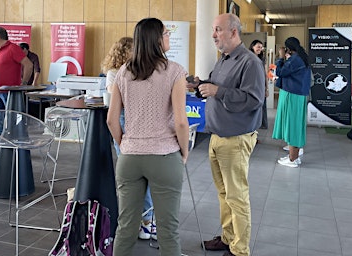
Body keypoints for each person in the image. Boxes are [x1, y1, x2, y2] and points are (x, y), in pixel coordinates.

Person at [107, 17, 189, 256]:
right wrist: (183, 151)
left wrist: (126, 144)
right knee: (168, 230)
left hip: (130, 157)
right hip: (164, 155)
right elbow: (181, 122)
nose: (168, 37)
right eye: (166, 34)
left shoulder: (123, 72)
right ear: (156, 39)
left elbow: (112, 120)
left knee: (126, 227)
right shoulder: (175, 71)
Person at [187, 13, 264, 256]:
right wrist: (201, 85)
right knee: (224, 194)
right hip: (217, 137)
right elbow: (217, 89)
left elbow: (253, 100)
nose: (213, 35)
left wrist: (218, 90)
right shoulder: (224, 60)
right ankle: (229, 237)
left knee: (237, 196)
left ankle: (240, 250)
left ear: (233, 32)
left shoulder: (250, 63)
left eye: (218, 30)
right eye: (213, 30)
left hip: (235, 140)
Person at [101, 36, 157, 240]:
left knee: (142, 175)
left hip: (138, 125)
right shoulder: (114, 74)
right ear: (126, 52)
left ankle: (145, 219)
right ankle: (143, 221)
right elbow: (117, 104)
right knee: (132, 176)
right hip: (125, 124)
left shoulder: (138, 71)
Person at [272, 37, 311, 168]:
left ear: (288, 48)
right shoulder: (301, 58)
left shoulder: (295, 59)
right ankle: (295, 156)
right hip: (298, 94)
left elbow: (280, 72)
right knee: (296, 125)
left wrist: (280, 58)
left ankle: (292, 159)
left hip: (293, 94)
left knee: (292, 125)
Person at [249, 39, 269, 129]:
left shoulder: (262, 59)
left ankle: (261, 124)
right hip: (250, 85)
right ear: (252, 47)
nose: (260, 49)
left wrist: (266, 88)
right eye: (258, 47)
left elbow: (265, 74)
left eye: (261, 47)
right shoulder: (247, 57)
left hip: (260, 85)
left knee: (261, 105)